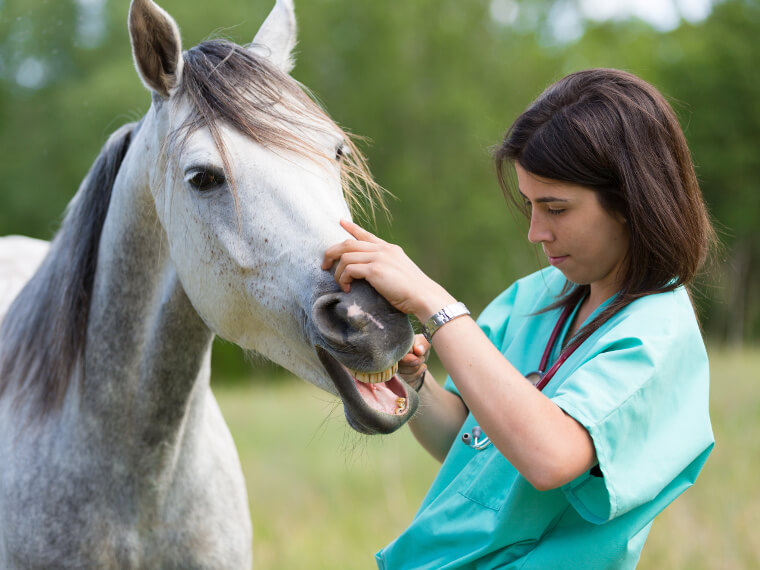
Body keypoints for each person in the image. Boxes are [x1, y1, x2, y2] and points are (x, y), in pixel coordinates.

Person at [323, 68, 715, 569]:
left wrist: (435, 306)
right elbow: (471, 446)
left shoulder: (657, 335)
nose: (535, 232)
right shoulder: (539, 295)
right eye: (530, 205)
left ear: (630, 201)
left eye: (556, 209)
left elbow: (549, 458)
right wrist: (415, 379)